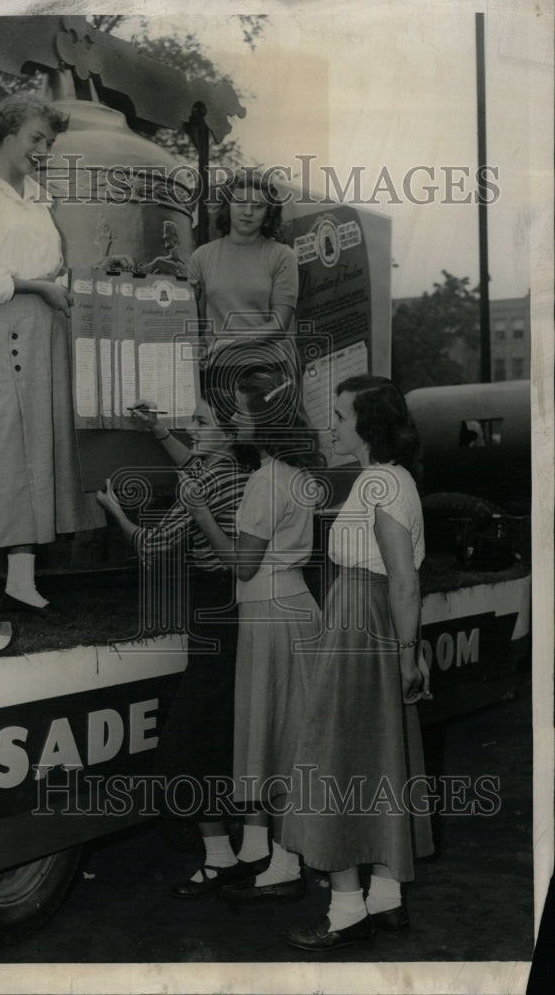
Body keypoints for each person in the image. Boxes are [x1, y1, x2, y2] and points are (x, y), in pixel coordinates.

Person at [278, 374, 434, 952]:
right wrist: (405, 648)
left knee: (334, 760)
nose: (332, 426)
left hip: (361, 629)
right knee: (377, 760)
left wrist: (405, 654)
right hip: (364, 624)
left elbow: (404, 581)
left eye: (340, 417)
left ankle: (346, 909)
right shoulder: (386, 480)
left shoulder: (381, 485)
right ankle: (385, 901)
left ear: (368, 425)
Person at [0, 94, 104, 635]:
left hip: (43, 330)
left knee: (38, 452)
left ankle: (20, 583)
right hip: (0, 328)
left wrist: (89, 274)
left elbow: (51, 265)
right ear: (8, 134)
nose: (44, 150)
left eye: (50, 143)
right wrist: (37, 286)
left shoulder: (37, 197)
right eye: (37, 139)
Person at [96, 396, 258, 897]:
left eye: (200, 422)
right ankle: (244, 850)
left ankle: (218, 858)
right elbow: (197, 463)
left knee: (189, 742)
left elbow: (153, 547)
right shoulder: (236, 470)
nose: (190, 428)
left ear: (227, 435)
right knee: (224, 733)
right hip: (239, 611)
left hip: (212, 610)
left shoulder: (207, 479)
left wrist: (114, 510)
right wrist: (157, 431)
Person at [183, 366, 322, 903]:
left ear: (264, 420)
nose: (235, 419)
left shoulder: (266, 480)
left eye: (242, 410)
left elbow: (241, 564)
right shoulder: (290, 470)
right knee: (283, 735)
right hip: (293, 606)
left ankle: (284, 863)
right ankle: (274, 854)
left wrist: (199, 513)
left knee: (273, 739)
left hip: (269, 611)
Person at [187, 169, 299, 398]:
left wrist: (226, 343)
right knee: (215, 434)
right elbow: (196, 323)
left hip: (265, 373)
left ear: (269, 212)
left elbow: (279, 326)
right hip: (215, 371)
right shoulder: (201, 256)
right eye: (240, 202)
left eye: (258, 206)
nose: (248, 212)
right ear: (227, 206)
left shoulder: (282, 255)